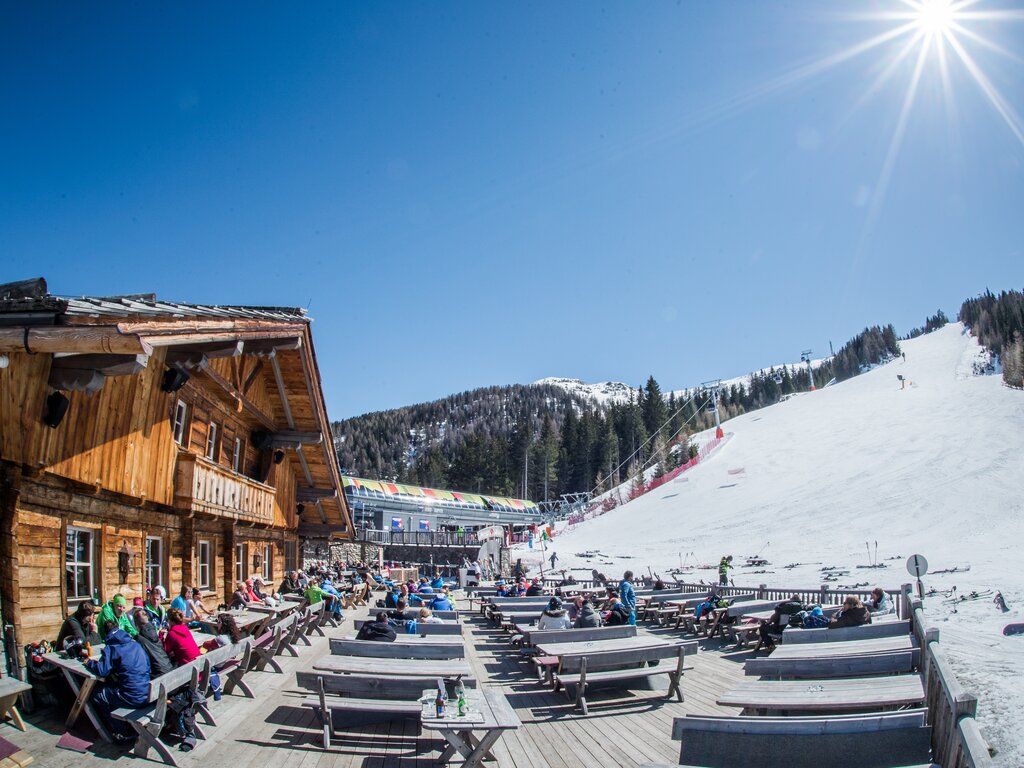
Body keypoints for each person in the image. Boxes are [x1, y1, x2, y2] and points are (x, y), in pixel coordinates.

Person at [85, 620, 151, 742]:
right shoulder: (135, 644)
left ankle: (122, 731)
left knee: (97, 694)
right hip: (147, 693)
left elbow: (102, 671)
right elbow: (148, 666)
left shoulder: (111, 647)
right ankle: (123, 726)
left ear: (105, 633)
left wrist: (89, 662)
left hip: (132, 697)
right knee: (113, 687)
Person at [132, 608, 174, 677]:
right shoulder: (154, 632)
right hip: (168, 668)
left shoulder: (139, 639)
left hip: (159, 674)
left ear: (135, 623)